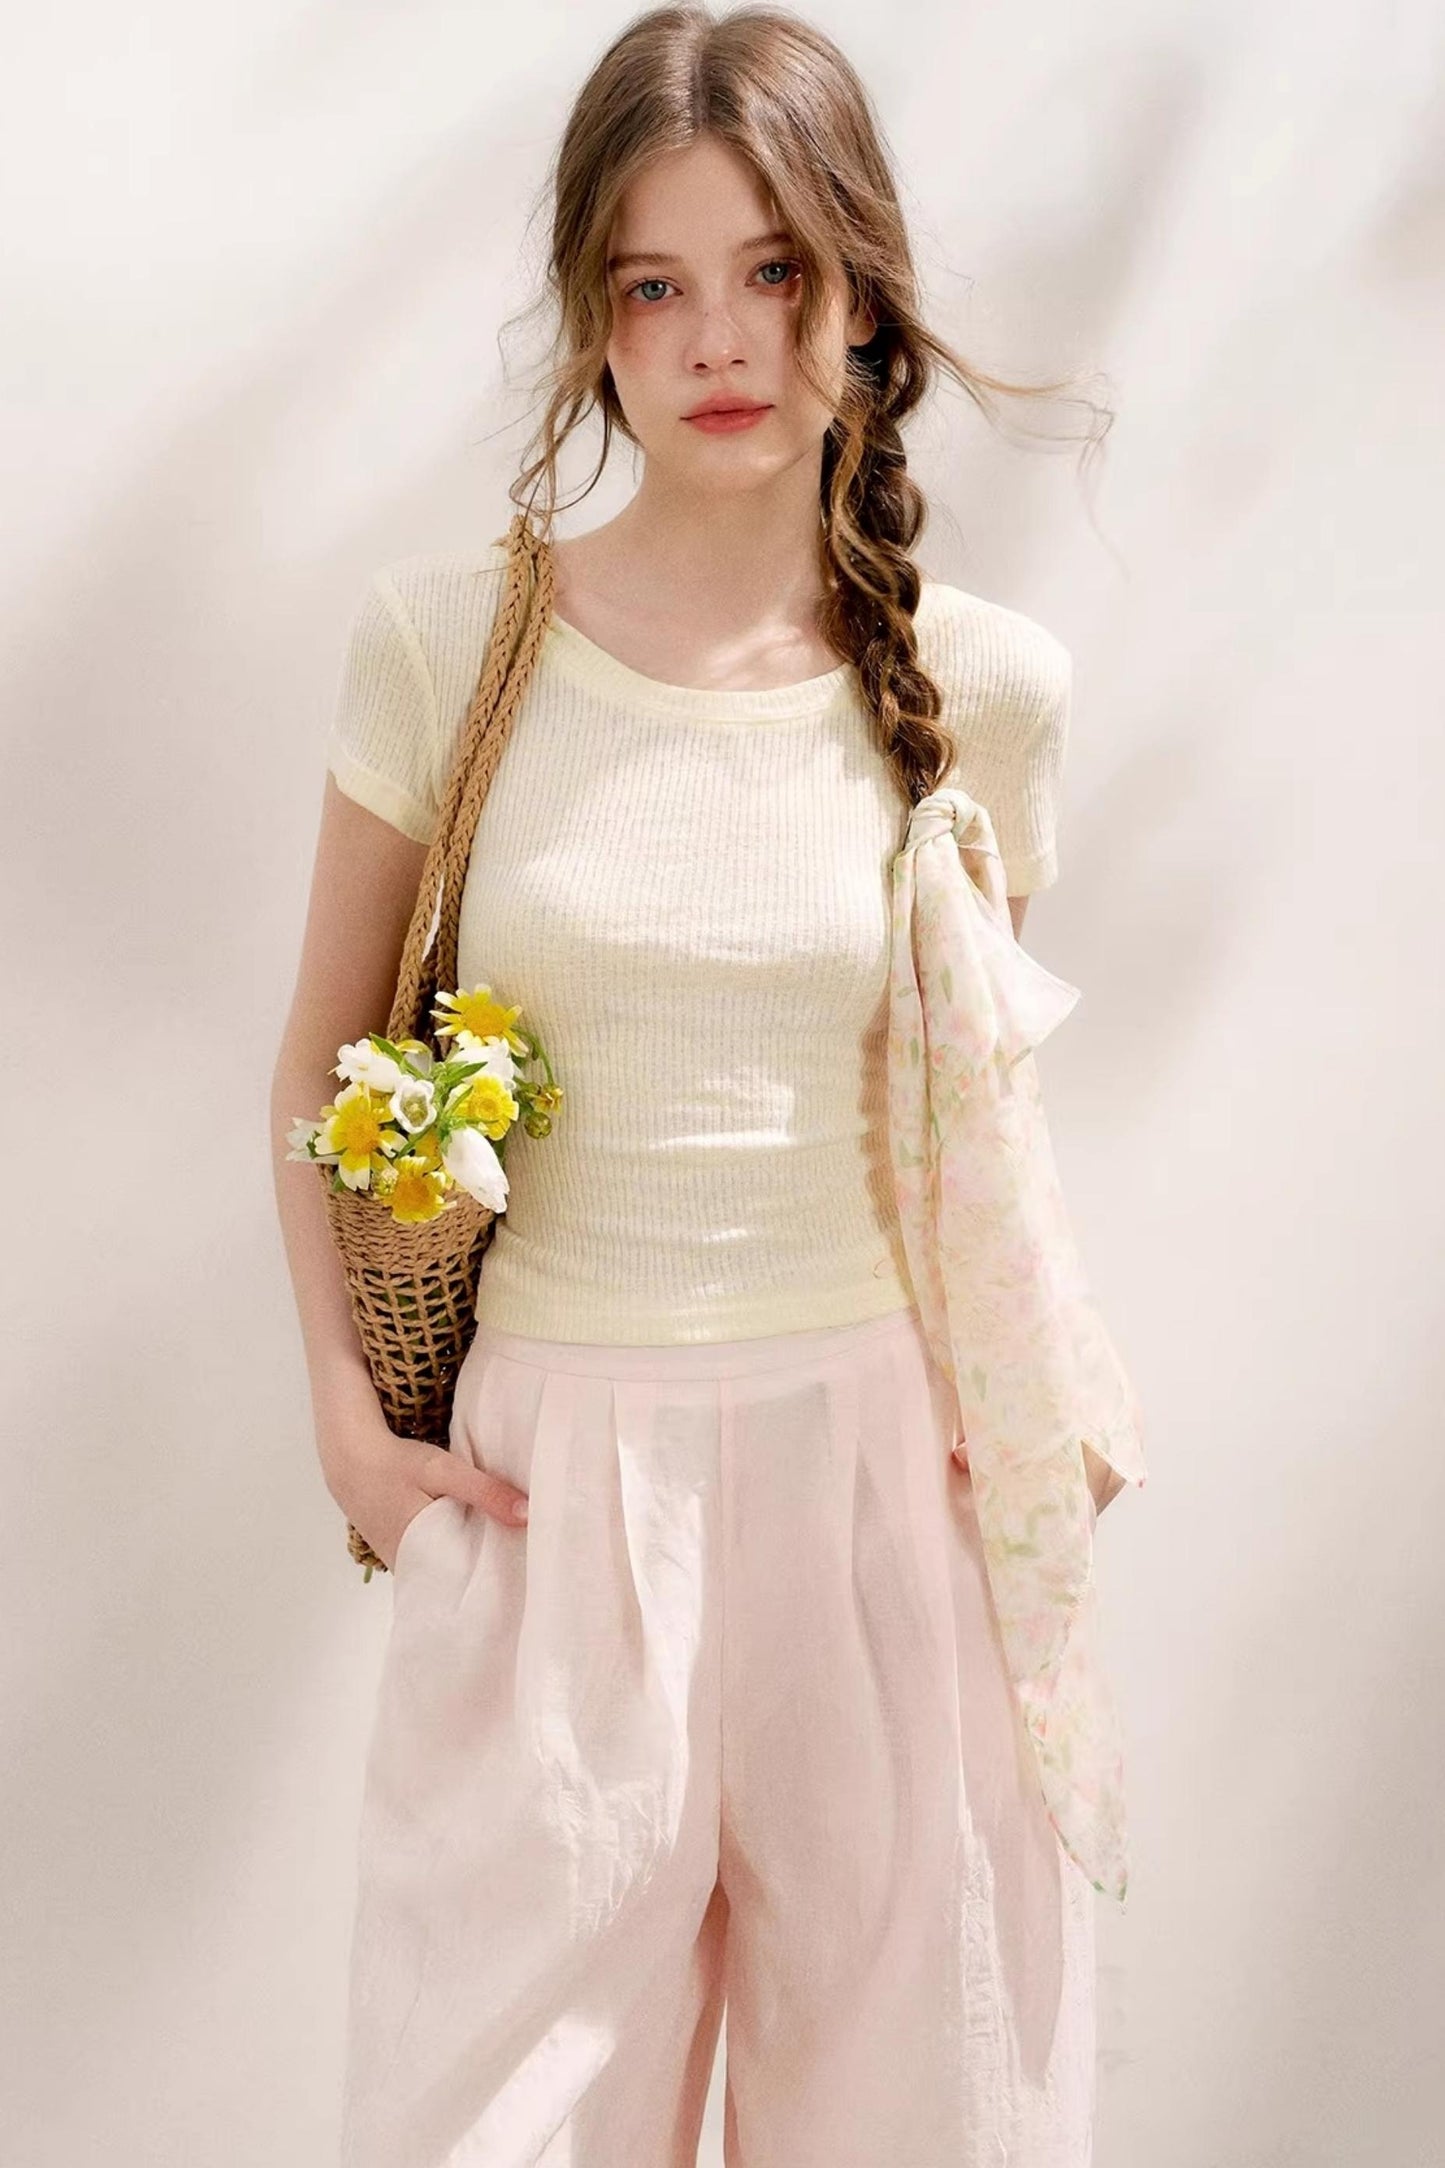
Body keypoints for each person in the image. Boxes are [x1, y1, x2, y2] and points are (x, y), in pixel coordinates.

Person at [270, 7, 1121, 2163]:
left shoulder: (989, 691)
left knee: (925, 2119)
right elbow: (313, 1059)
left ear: (864, 291)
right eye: (653, 284)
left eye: (774, 271)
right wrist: (353, 1433)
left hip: (883, 1494)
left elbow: (977, 1126)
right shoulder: (446, 646)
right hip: (548, 1499)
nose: (719, 338)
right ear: (591, 318)